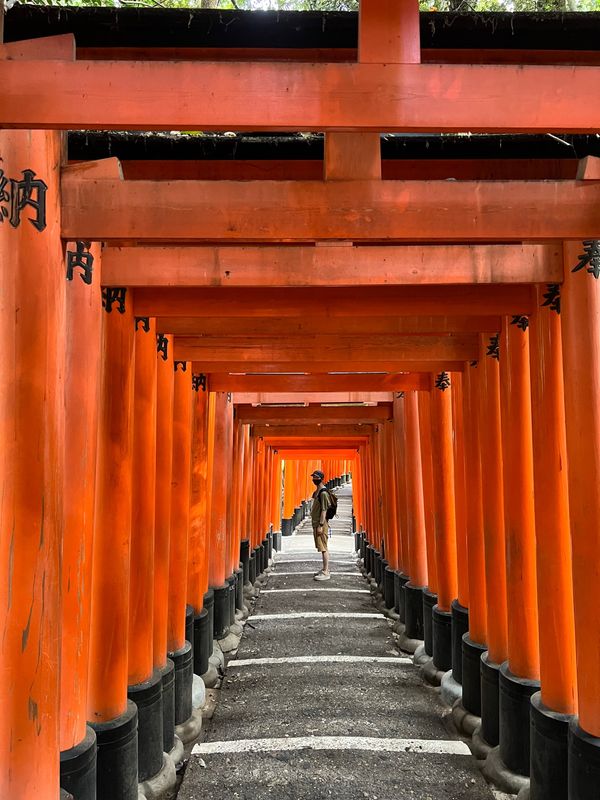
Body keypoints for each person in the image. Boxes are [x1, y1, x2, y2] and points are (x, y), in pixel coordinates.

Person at [310, 469, 331, 581]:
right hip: (316, 523)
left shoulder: (323, 492)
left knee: (323, 547)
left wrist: (321, 525)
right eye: (313, 477)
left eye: (317, 477)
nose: (314, 479)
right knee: (321, 546)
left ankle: (326, 571)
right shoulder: (317, 491)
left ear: (321, 479)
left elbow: (324, 510)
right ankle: (324, 569)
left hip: (320, 524)